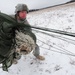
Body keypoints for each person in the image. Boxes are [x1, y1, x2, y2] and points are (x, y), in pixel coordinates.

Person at [0, 4, 45, 71]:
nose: (24, 14)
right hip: (10, 37)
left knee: (35, 46)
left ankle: (37, 55)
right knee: (15, 53)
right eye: (22, 12)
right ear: (18, 12)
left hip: (20, 38)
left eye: (25, 12)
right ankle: (13, 59)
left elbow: (28, 33)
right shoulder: (10, 18)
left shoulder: (26, 24)